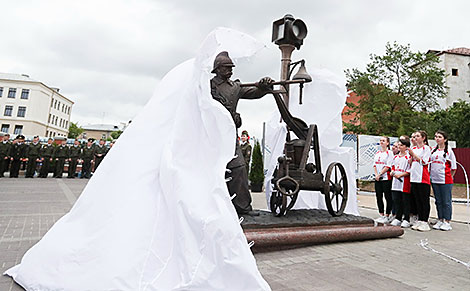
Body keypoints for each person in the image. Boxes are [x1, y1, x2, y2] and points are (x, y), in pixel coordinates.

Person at [210, 51, 273, 215]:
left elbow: (253, 93)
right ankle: (212, 207)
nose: (230, 70)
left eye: (231, 67)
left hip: (230, 135)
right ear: (217, 68)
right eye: (227, 67)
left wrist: (263, 86)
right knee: (212, 170)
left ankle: (243, 207)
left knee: (239, 167)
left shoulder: (235, 87)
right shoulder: (208, 86)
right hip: (211, 134)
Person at [430, 130, 457, 231]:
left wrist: (449, 177)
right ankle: (440, 219)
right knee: (438, 201)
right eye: (436, 137)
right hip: (435, 179)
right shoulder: (433, 150)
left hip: (445, 180)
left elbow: (453, 167)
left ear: (445, 139)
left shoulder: (449, 151)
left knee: (446, 201)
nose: (437, 139)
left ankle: (447, 221)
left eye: (440, 137)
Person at [408, 130, 432, 231]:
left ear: (423, 138)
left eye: (418, 136)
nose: (416, 138)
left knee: (424, 200)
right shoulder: (413, 148)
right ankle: (419, 219)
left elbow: (425, 161)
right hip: (414, 177)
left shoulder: (426, 148)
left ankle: (425, 221)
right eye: (415, 136)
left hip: (423, 178)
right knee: (417, 199)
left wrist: (413, 155)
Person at [389, 137, 412, 228]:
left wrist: (401, 175)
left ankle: (406, 219)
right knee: (396, 200)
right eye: (398, 145)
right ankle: (398, 217)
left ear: (406, 147)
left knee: (405, 201)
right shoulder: (396, 157)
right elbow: (393, 166)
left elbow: (410, 170)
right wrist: (392, 172)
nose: (399, 147)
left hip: (404, 182)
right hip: (395, 182)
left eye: (401, 145)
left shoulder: (408, 157)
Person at [373, 136, 394, 223]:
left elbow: (388, 166)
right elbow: (374, 165)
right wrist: (376, 175)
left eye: (384, 141)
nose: (382, 142)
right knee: (378, 196)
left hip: (386, 178)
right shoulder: (378, 153)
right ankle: (381, 214)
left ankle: (387, 214)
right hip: (378, 178)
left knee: (387, 196)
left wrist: (381, 173)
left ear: (387, 143)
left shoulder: (389, 153)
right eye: (381, 141)